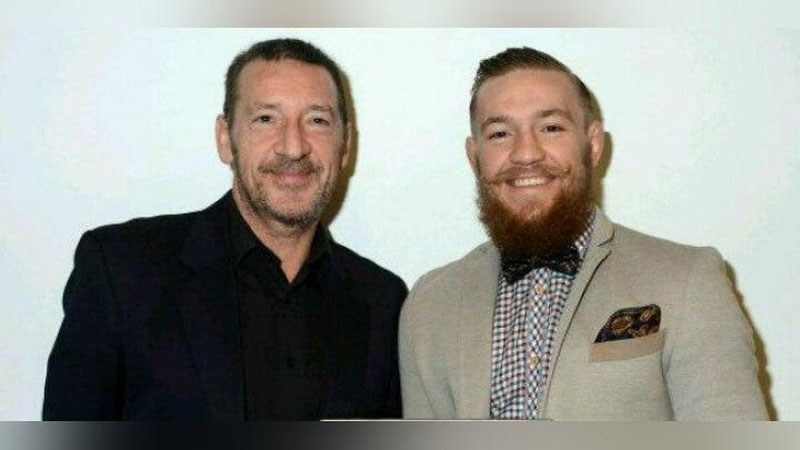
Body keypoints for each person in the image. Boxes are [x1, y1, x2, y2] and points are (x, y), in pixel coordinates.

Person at [43, 38, 407, 420]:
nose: (293, 147)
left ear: (344, 145)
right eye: (266, 119)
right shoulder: (121, 272)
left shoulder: (383, 302)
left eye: (317, 120)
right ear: (225, 139)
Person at [398, 47, 767, 420]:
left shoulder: (688, 280)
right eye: (500, 133)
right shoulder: (428, 305)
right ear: (474, 155)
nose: (526, 153)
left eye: (551, 128)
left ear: (592, 144)